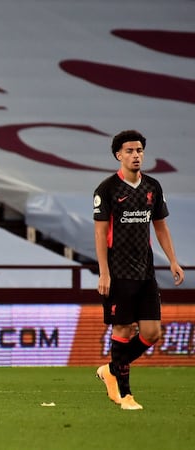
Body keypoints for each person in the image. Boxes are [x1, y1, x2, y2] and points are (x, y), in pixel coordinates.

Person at [93, 130, 185, 410]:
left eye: (140, 151)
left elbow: (160, 226)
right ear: (118, 155)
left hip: (146, 273)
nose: (136, 155)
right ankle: (126, 395)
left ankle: (111, 369)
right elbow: (100, 232)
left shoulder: (153, 187)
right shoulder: (107, 189)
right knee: (122, 327)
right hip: (119, 272)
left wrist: (172, 260)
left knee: (152, 332)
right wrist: (104, 272)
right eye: (130, 151)